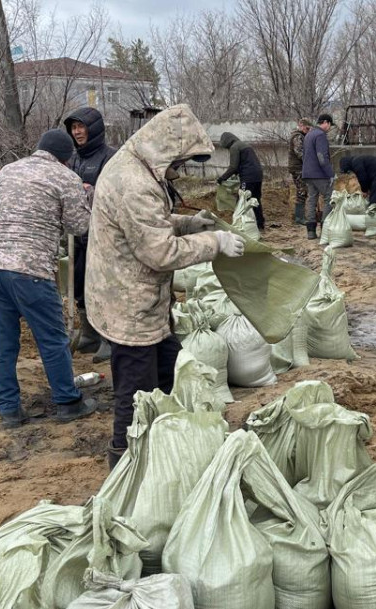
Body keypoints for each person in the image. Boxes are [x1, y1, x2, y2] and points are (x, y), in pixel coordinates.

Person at [86, 104, 247, 470]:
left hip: (143, 301)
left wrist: (189, 223)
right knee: (136, 395)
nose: (181, 170)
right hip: (129, 307)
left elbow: (149, 223)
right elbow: (159, 251)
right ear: (166, 149)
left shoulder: (138, 167)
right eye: (181, 162)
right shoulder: (134, 182)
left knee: (169, 369)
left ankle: (163, 443)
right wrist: (215, 244)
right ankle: (125, 466)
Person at [0, 130, 97, 429]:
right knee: (52, 340)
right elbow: (79, 225)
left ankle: (9, 411)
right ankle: (68, 402)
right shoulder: (64, 177)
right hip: (30, 269)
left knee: (2, 344)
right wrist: (85, 195)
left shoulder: (8, 170)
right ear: (66, 157)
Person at [63, 106, 118, 363]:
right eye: (74, 128)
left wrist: (90, 190)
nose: (77, 132)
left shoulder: (110, 157)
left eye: (81, 127)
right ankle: (89, 333)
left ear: (93, 128)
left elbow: (114, 194)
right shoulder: (73, 159)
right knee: (79, 284)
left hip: (103, 234)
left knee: (102, 287)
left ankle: (109, 337)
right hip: (78, 234)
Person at [216, 132, 266, 231]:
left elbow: (233, 167)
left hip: (248, 177)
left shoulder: (234, 147)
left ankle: (240, 226)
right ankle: (260, 225)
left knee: (241, 202)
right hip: (258, 175)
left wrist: (222, 178)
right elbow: (245, 163)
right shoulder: (245, 145)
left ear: (226, 142)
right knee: (255, 200)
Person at [302, 113, 336, 240]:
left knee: (312, 199)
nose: (329, 128)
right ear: (326, 122)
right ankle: (325, 229)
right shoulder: (320, 135)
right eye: (330, 125)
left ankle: (311, 231)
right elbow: (322, 157)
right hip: (319, 174)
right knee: (329, 197)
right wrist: (330, 173)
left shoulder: (309, 134)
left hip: (307, 173)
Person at [289, 119, 311, 225]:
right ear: (301, 126)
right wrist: (310, 162)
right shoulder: (297, 137)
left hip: (300, 167)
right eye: (307, 128)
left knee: (302, 191)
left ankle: (300, 216)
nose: (308, 130)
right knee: (302, 192)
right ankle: (299, 218)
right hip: (298, 168)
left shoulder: (301, 136)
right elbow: (299, 152)